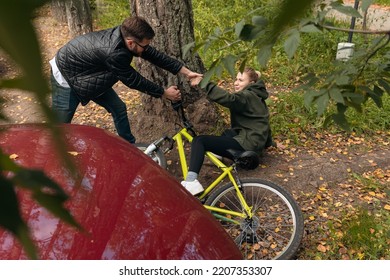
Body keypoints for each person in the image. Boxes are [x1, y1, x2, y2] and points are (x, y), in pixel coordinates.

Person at [49, 16, 202, 143]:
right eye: (145, 45)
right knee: (60, 127)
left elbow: (156, 56)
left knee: (119, 108)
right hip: (66, 75)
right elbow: (133, 80)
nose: (147, 49)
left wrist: (187, 72)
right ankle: (47, 160)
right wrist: (163, 93)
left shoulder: (126, 37)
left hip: (92, 74)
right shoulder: (114, 53)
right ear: (130, 43)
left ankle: (129, 146)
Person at [181, 67, 273, 195]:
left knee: (199, 141)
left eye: (241, 80)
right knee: (228, 133)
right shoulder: (257, 97)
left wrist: (204, 83)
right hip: (254, 142)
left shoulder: (246, 96)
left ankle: (191, 182)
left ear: (251, 84)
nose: (236, 83)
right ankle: (219, 154)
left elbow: (229, 100)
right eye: (236, 79)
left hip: (248, 144)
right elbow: (264, 123)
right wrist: (268, 144)